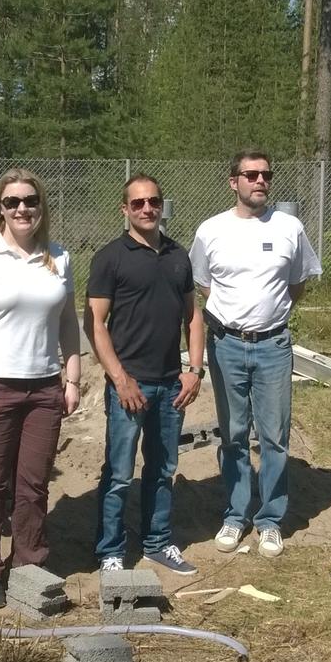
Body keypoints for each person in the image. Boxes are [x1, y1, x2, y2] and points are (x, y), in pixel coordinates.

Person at [0, 169, 81, 608]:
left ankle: (28, 563)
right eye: (12, 202)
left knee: (34, 483)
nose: (22, 208)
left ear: (41, 206)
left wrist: (73, 376)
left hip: (44, 388)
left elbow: (67, 323)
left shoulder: (58, 258)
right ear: (0, 208)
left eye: (30, 201)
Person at [189, 150, 322, 558]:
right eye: (251, 175)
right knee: (232, 434)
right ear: (234, 181)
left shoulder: (290, 227)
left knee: (274, 436)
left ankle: (269, 520)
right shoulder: (211, 230)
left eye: (265, 174)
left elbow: (297, 284)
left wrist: (269, 318)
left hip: (274, 346)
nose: (260, 181)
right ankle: (235, 514)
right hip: (226, 344)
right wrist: (238, 320)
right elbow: (204, 287)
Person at [85, 174, 204, 575]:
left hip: (171, 383)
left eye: (153, 201)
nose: (147, 209)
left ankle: (157, 542)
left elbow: (193, 316)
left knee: (163, 468)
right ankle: (111, 551)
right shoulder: (110, 258)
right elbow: (96, 325)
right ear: (125, 209)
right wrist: (120, 378)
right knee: (119, 473)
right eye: (138, 203)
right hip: (128, 386)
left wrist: (194, 370)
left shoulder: (177, 256)